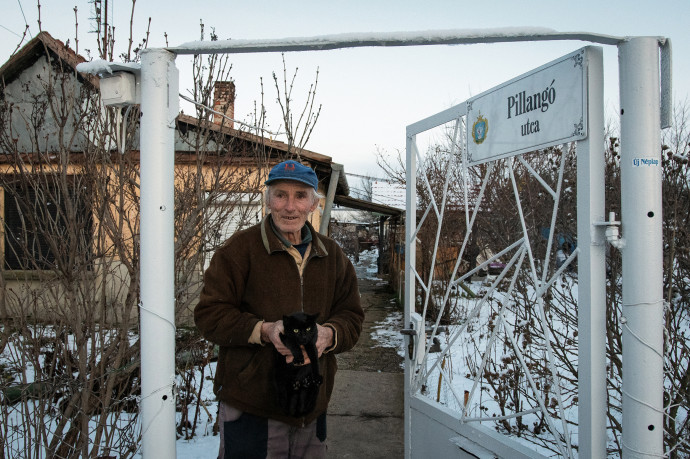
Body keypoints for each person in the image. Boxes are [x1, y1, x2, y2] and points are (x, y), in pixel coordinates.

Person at [195, 159, 364, 459]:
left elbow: (351, 316)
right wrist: (264, 330)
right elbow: (209, 315)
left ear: (313, 203)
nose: (290, 206)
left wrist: (329, 334)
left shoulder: (332, 255)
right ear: (268, 200)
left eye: (300, 196)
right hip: (252, 406)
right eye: (281, 195)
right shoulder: (238, 250)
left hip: (311, 405)